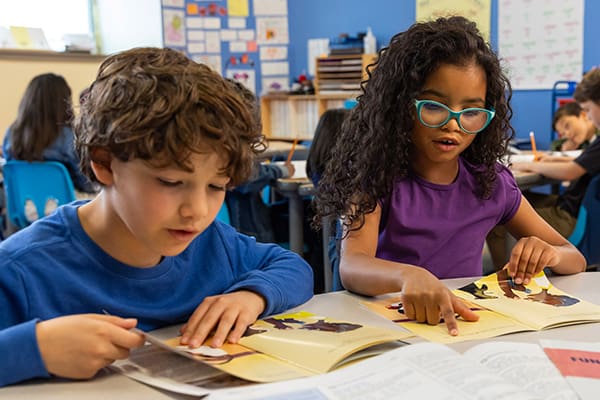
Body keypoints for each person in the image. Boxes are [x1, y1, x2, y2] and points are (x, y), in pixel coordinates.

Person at [0, 47, 313, 387]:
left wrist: (252, 295)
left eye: (216, 186)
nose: (198, 211)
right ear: (104, 164)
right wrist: (34, 348)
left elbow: (294, 268)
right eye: (171, 182)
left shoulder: (211, 243)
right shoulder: (21, 270)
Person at [313, 16, 585, 336]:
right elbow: (353, 265)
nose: (453, 124)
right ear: (400, 105)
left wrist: (549, 253)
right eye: (435, 106)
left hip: (466, 330)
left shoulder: (491, 183)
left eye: (470, 112)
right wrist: (407, 276)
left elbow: (575, 259)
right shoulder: (375, 179)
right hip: (392, 331)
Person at [492, 68, 600, 266]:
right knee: (513, 200)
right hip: (571, 205)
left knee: (497, 215)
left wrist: (531, 164)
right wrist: (548, 160)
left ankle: (502, 279)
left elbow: (572, 170)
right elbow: (581, 161)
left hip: (571, 216)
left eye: (587, 109)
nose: (588, 117)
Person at [223, 78, 295, 243]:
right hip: (247, 232)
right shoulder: (233, 151)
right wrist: (281, 170)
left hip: (246, 229)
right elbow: (247, 177)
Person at [2, 73, 97, 193]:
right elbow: (87, 184)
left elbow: (9, 175)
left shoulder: (12, 133)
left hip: (20, 206)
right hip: (62, 206)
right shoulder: (69, 137)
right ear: (63, 103)